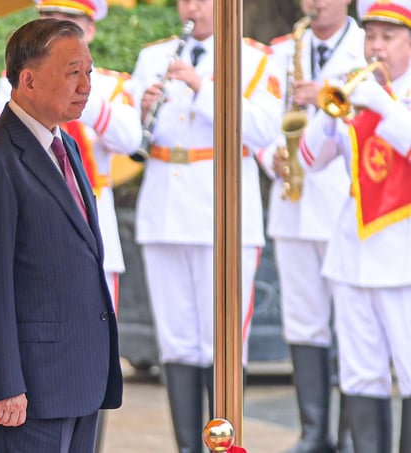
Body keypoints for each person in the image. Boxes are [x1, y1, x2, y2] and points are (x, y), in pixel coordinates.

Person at [0, 18, 123, 453]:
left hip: (78, 377)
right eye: (73, 72)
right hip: (30, 390)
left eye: (89, 71)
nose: (86, 85)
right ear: (27, 80)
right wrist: (6, 383)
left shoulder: (64, 144)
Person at [127, 0, 282, 451]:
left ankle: (227, 444)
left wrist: (201, 87)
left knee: (224, 342)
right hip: (164, 207)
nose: (192, 8)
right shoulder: (152, 57)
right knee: (176, 341)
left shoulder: (254, 58)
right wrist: (142, 112)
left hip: (222, 207)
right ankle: (187, 446)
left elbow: (263, 128)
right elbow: (131, 133)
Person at [0, 0, 142, 308]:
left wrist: (77, 85)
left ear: (90, 31)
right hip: (34, 221)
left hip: (92, 218)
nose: (56, 25)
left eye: (69, 19)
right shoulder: (16, 81)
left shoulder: (111, 83)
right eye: (49, 16)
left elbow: (130, 140)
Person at [300, 0, 411, 450]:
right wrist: (328, 115)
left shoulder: (386, 99)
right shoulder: (357, 91)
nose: (376, 47)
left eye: (389, 37)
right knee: (361, 376)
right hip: (353, 251)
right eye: (371, 37)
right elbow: (309, 160)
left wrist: (383, 106)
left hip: (403, 254)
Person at [257, 2, 366, 452]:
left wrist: (324, 93)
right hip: (293, 202)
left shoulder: (368, 48)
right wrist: (273, 159)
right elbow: (261, 119)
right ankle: (314, 433)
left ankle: (351, 435)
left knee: (352, 326)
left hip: (346, 203)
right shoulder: (282, 50)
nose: (315, 3)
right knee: (303, 324)